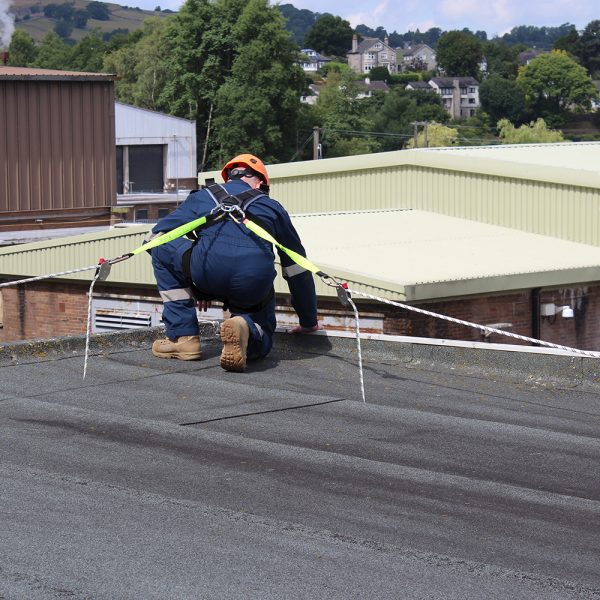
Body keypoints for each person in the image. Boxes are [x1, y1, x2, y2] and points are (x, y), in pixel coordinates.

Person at [149, 154, 319, 372]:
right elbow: (297, 268)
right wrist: (308, 321)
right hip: (251, 282)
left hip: (205, 272)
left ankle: (183, 338)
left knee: (161, 248)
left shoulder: (203, 196)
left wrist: (196, 286)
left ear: (228, 178)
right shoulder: (272, 207)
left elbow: (154, 237)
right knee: (261, 325)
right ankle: (246, 327)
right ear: (260, 183)